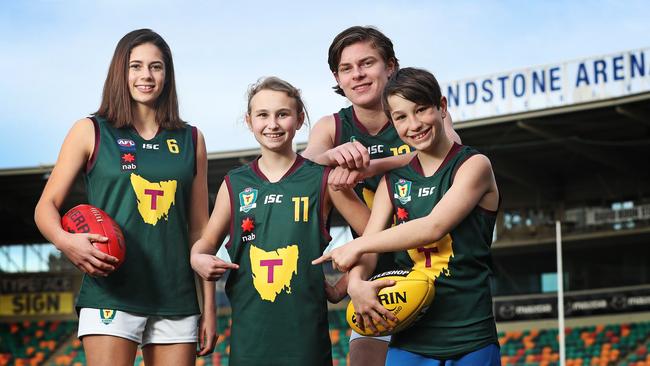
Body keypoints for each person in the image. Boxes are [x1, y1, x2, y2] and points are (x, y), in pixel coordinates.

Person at [34, 29, 216, 366]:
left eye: (156, 67)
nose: (146, 75)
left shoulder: (192, 139)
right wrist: (66, 241)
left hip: (175, 296)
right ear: (121, 71)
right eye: (136, 66)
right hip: (111, 291)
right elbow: (45, 207)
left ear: (167, 75)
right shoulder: (90, 130)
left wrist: (208, 306)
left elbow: (199, 232)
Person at [313, 67, 502, 366]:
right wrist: (357, 281)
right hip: (408, 337)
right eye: (401, 117)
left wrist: (356, 246)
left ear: (441, 107)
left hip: (470, 336)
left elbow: (433, 227)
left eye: (422, 110)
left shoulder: (473, 165)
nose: (413, 124)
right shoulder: (393, 181)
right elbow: (371, 246)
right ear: (392, 121)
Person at [302, 26, 462, 365]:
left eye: (367, 63)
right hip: (376, 272)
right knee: (330, 179)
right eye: (347, 68)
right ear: (337, 77)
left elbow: (455, 152)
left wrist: (376, 165)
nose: (357, 75)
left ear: (391, 66)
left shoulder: (418, 113)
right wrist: (334, 155)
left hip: (434, 267)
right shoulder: (333, 126)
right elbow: (303, 163)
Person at [190, 77, 370, 366]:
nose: (272, 124)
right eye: (263, 115)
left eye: (282, 114)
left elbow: (376, 237)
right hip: (250, 341)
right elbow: (205, 245)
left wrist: (343, 286)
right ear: (249, 121)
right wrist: (197, 257)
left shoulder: (323, 179)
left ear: (299, 120)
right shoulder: (234, 184)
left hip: (306, 341)